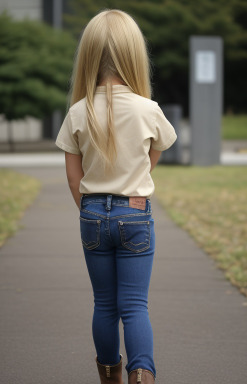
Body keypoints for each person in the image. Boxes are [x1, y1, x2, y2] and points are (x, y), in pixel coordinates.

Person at [55, 8, 177, 384]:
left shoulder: (79, 112)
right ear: (134, 56)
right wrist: (129, 192)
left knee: (104, 305)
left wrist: (93, 209)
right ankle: (143, 374)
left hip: (92, 214)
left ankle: (110, 377)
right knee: (135, 305)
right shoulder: (147, 110)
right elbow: (152, 157)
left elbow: (74, 178)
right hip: (136, 213)